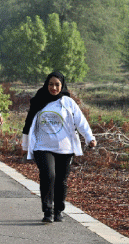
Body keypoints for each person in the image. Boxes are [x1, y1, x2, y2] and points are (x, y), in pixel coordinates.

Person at [22, 71, 96, 223]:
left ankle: (58, 210)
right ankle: (47, 211)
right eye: (51, 84)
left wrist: (90, 138)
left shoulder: (68, 102)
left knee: (61, 180)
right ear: (46, 85)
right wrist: (25, 144)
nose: (53, 88)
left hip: (65, 148)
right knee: (48, 175)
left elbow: (80, 122)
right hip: (42, 147)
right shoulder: (38, 101)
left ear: (62, 86)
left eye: (57, 85)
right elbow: (28, 123)